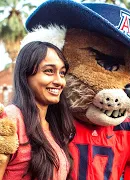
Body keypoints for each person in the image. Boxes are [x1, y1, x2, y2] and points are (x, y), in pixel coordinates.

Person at [0, 41, 75, 180]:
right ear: (25, 75)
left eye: (62, 73)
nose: (59, 81)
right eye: (49, 71)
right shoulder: (11, 118)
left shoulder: (53, 126)